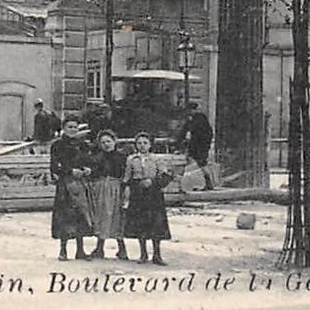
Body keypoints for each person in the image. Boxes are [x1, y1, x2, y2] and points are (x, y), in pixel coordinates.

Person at [122, 132, 172, 265]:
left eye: (145, 143)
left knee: (155, 223)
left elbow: (166, 177)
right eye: (139, 143)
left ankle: (157, 254)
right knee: (140, 223)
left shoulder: (157, 159)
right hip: (138, 194)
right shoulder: (131, 159)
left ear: (150, 145)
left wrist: (153, 182)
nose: (142, 146)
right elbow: (127, 178)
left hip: (153, 194)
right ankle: (143, 254)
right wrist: (133, 186)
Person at [48, 119, 93, 260]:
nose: (73, 129)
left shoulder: (83, 145)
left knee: (81, 214)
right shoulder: (57, 145)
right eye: (69, 127)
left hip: (80, 183)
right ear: (63, 128)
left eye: (75, 127)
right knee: (65, 216)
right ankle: (63, 250)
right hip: (65, 184)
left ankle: (80, 250)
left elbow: (89, 161)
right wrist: (70, 171)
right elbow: (55, 166)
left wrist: (87, 170)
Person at [83, 129, 128, 259]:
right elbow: (93, 172)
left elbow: (126, 173)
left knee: (118, 217)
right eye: (103, 142)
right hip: (101, 188)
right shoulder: (97, 157)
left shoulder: (121, 157)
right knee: (101, 216)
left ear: (114, 142)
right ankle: (99, 248)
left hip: (117, 188)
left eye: (108, 141)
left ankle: (122, 248)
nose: (106, 144)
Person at [180, 104, 218, 190]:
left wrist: (189, 138)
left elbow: (197, 131)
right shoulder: (191, 119)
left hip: (201, 144)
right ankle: (179, 183)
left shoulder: (200, 118)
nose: (189, 112)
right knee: (189, 160)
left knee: (201, 162)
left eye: (191, 110)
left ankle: (209, 183)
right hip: (195, 144)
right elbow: (185, 130)